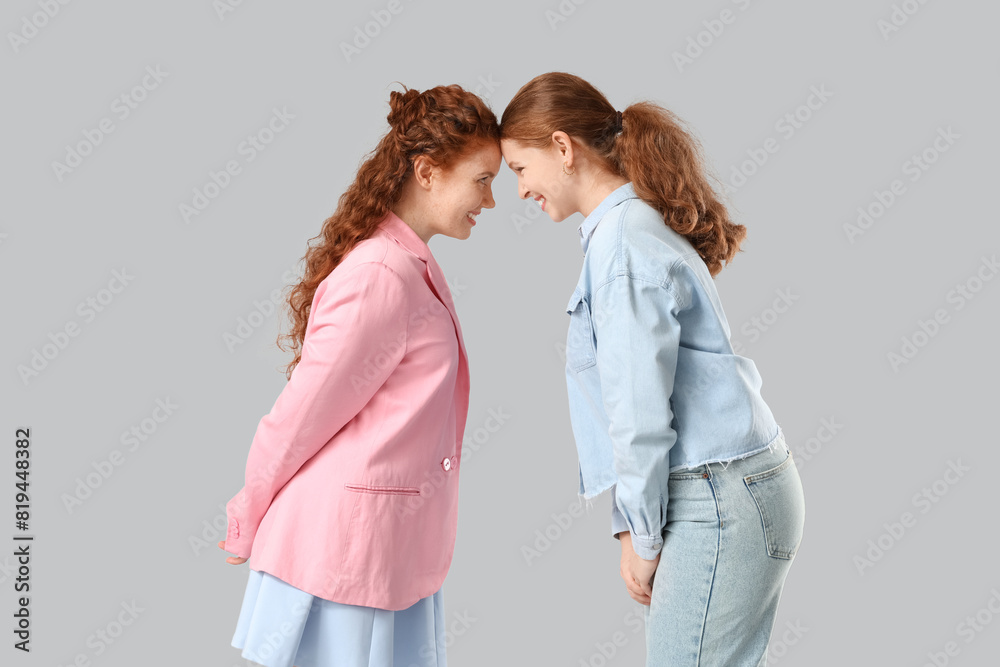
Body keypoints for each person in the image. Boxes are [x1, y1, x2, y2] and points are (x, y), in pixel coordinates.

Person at [498, 71, 806, 666]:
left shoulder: (621, 246)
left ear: (562, 147)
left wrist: (641, 535)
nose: (520, 189)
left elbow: (639, 410)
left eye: (520, 168)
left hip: (716, 494)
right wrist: (631, 522)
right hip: (731, 485)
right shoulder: (629, 227)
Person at [218, 82, 501, 667]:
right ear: (427, 172)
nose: (491, 200)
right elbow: (300, 414)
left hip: (384, 550)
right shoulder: (380, 273)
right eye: (482, 179)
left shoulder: (410, 263)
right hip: (343, 556)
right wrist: (247, 512)